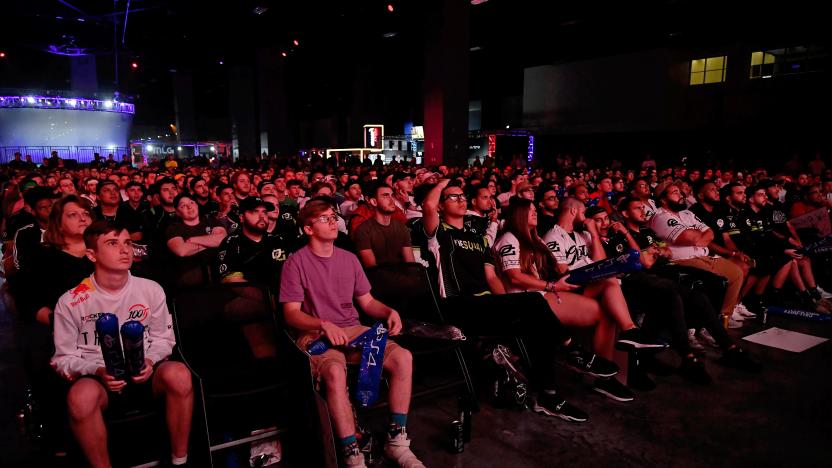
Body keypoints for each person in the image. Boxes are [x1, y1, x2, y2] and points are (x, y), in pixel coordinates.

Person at [280, 201, 423, 468]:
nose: (333, 222)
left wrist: (388, 311)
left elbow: (367, 302)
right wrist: (323, 324)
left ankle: (396, 440)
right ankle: (352, 452)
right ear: (308, 228)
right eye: (324, 219)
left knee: (402, 357)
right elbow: (291, 313)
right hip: (314, 334)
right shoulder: (295, 263)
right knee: (334, 372)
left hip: (352, 328)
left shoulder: (349, 259)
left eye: (333, 216)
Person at [51, 220, 193, 468]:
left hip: (146, 372)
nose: (125, 249)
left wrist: (150, 360)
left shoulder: (151, 289)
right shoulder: (71, 300)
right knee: (81, 397)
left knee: (179, 374)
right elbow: (63, 359)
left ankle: (180, 461)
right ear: (91, 254)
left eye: (127, 242)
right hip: (99, 379)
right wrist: (95, 370)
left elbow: (164, 339)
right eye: (112, 243)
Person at [543, 197, 664, 355]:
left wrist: (593, 234)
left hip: (588, 282)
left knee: (610, 289)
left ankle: (627, 336)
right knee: (609, 279)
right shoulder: (553, 236)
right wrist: (591, 268)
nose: (586, 217)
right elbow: (561, 272)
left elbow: (600, 262)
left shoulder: (583, 235)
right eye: (584, 213)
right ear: (574, 211)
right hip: (567, 287)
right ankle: (630, 331)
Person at [649, 183, 745, 326]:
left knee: (736, 273)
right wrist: (698, 236)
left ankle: (723, 317)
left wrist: (698, 237)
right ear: (663, 199)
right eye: (675, 193)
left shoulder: (687, 213)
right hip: (683, 260)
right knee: (716, 281)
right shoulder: (660, 216)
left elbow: (710, 234)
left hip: (704, 255)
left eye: (680, 192)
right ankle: (706, 324)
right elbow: (690, 237)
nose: (681, 195)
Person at [217, 196, 288, 292]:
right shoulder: (231, 242)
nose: (262, 216)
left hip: (284, 295)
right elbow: (233, 281)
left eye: (264, 212)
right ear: (241, 218)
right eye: (255, 211)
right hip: (252, 301)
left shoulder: (277, 240)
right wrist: (269, 300)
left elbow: (290, 272)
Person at [164, 193, 227, 287]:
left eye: (191, 203)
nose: (189, 207)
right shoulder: (174, 228)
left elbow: (222, 238)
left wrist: (192, 240)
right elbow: (182, 250)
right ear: (177, 212)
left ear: (197, 205)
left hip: (218, 272)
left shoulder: (210, 220)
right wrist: (211, 242)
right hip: (189, 278)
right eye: (183, 205)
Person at [353, 183, 414, 267]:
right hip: (378, 278)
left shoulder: (401, 227)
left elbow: (410, 263)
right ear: (374, 202)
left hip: (402, 276)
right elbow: (372, 269)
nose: (391, 200)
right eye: (385, 196)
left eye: (392, 195)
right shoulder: (364, 230)